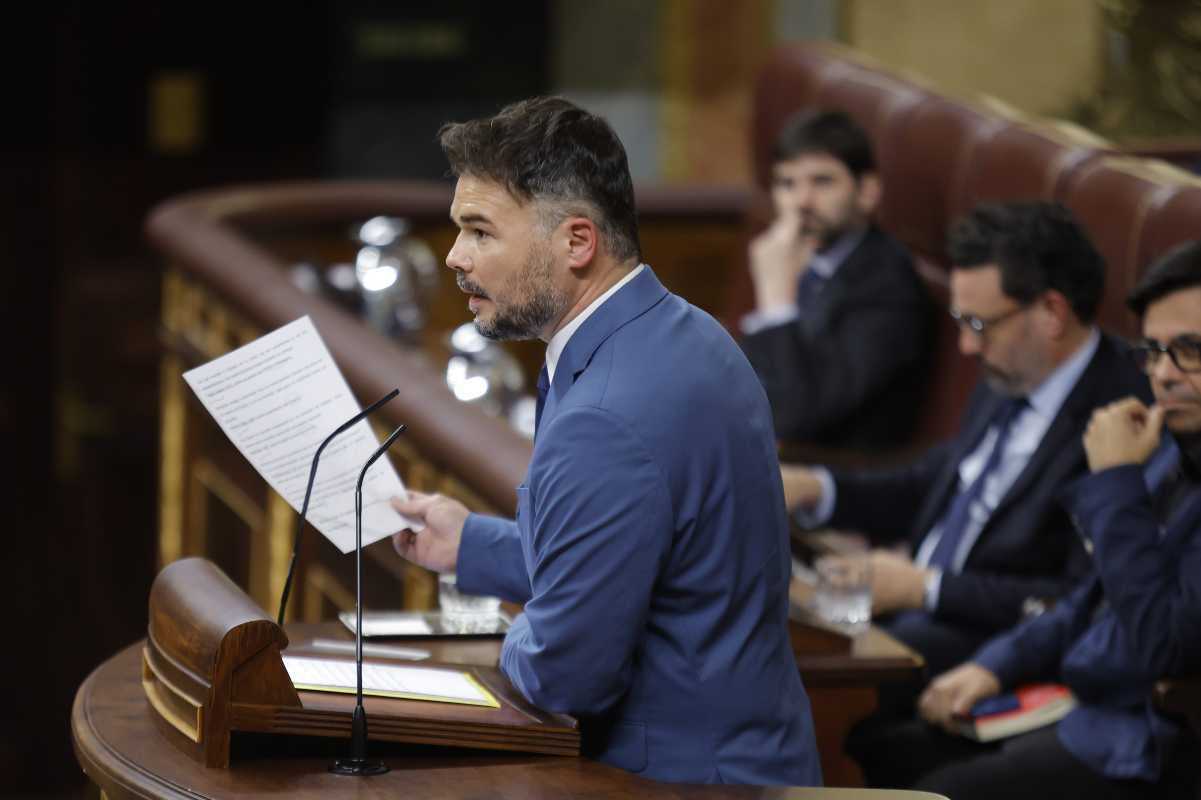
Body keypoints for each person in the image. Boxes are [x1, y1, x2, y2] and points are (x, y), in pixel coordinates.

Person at [388, 96, 821, 786]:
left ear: (577, 243)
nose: (454, 257)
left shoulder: (604, 418)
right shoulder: (689, 333)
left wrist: (520, 635)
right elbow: (644, 554)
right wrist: (471, 546)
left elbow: (565, 675)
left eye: (479, 232)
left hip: (670, 781)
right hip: (753, 756)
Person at [857, 240, 1201, 799]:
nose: (1163, 375)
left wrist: (1115, 482)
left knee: (940, 789)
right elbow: (1089, 595)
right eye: (1155, 350)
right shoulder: (1171, 447)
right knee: (876, 748)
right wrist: (997, 664)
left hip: (1145, 742)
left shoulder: (1138, 453)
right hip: (1082, 702)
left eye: (1189, 349)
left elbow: (1159, 644)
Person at [784, 202, 1152, 683]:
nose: (966, 346)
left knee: (805, 671)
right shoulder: (1012, 370)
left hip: (985, 642)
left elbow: (1075, 594)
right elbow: (935, 482)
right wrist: (817, 488)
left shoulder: (1121, 415)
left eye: (977, 324)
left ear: (1051, 313)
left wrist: (926, 588)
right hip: (902, 602)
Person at [740, 109, 931, 449]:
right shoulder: (803, 260)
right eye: (787, 184)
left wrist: (775, 299)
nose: (801, 202)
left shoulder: (886, 286)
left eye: (822, 181)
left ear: (867, 192)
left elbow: (794, 418)